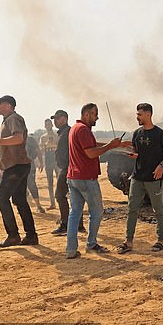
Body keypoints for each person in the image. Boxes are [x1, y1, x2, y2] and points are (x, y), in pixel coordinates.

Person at [65, 103, 124, 259]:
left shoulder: (75, 128)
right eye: (94, 113)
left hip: (73, 177)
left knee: (75, 213)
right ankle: (91, 244)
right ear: (86, 114)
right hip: (86, 178)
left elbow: (91, 145)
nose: (97, 117)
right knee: (96, 212)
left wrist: (115, 146)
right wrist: (110, 146)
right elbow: (91, 153)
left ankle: (71, 249)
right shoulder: (83, 130)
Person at [116, 103, 163, 254]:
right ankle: (128, 242)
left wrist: (161, 166)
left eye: (139, 114)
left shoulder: (160, 134)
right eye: (137, 114)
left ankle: (160, 241)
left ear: (148, 114)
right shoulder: (136, 133)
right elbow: (137, 153)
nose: (137, 117)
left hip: (154, 178)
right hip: (137, 177)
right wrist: (132, 155)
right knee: (131, 209)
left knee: (158, 210)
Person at [0, 95, 38, 247]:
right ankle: (31, 236)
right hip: (17, 165)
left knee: (1, 199)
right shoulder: (6, 121)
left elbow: (18, 138)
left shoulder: (13, 119)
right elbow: (5, 145)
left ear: (8, 105)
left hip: (16, 166)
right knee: (19, 200)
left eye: (0, 104)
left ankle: (13, 235)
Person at [50, 110, 85, 235]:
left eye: (57, 118)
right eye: (54, 119)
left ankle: (65, 224)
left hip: (68, 167)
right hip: (66, 167)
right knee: (74, 196)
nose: (55, 121)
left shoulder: (68, 132)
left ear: (64, 119)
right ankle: (78, 224)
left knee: (60, 195)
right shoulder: (62, 133)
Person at [39, 118, 59, 209]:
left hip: (56, 158)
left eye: (49, 124)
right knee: (49, 182)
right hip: (48, 158)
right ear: (45, 126)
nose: (48, 126)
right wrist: (46, 144)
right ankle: (52, 203)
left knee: (60, 181)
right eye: (46, 125)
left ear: (52, 125)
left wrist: (54, 143)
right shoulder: (43, 137)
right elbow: (41, 150)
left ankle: (62, 201)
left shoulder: (57, 135)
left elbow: (61, 147)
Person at [25, 133, 46, 214]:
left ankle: (38, 206)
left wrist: (41, 162)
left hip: (29, 166)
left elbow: (38, 151)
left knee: (31, 185)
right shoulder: (16, 138)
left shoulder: (29, 139)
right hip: (21, 166)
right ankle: (29, 206)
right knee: (25, 186)